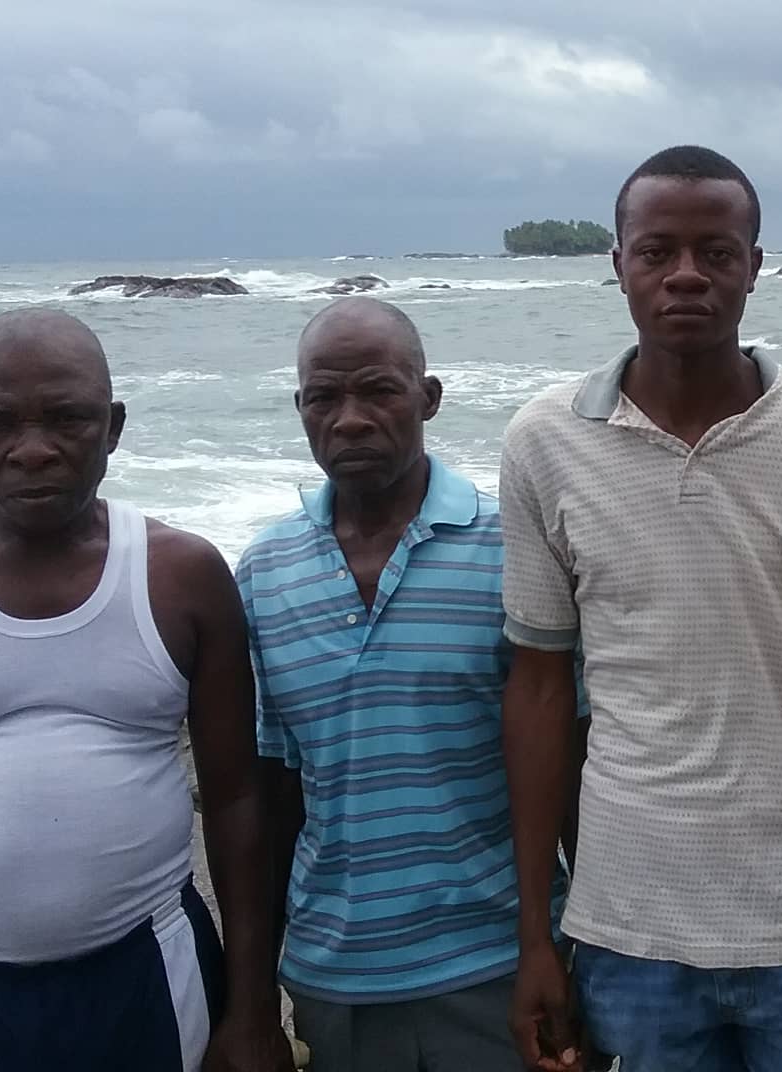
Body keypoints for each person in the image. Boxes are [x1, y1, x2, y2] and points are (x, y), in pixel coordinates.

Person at [500, 145, 782, 1072]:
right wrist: (539, 934)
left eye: (717, 252)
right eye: (657, 251)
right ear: (618, 264)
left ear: (755, 267)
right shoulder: (546, 443)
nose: (687, 275)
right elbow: (535, 692)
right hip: (627, 929)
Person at [0, 309, 291, 1072]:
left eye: (68, 418)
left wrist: (251, 1012)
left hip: (151, 971)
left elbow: (239, 801)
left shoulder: (181, 576)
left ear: (113, 426)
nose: (33, 449)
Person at [240, 298, 579, 1071]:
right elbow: (273, 795)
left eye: (379, 391)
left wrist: (569, 954)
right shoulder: (265, 573)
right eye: (323, 397)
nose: (350, 418)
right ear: (300, 408)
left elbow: (570, 772)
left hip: (495, 970)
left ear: (428, 397)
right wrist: (253, 997)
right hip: (335, 981)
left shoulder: (513, 551)